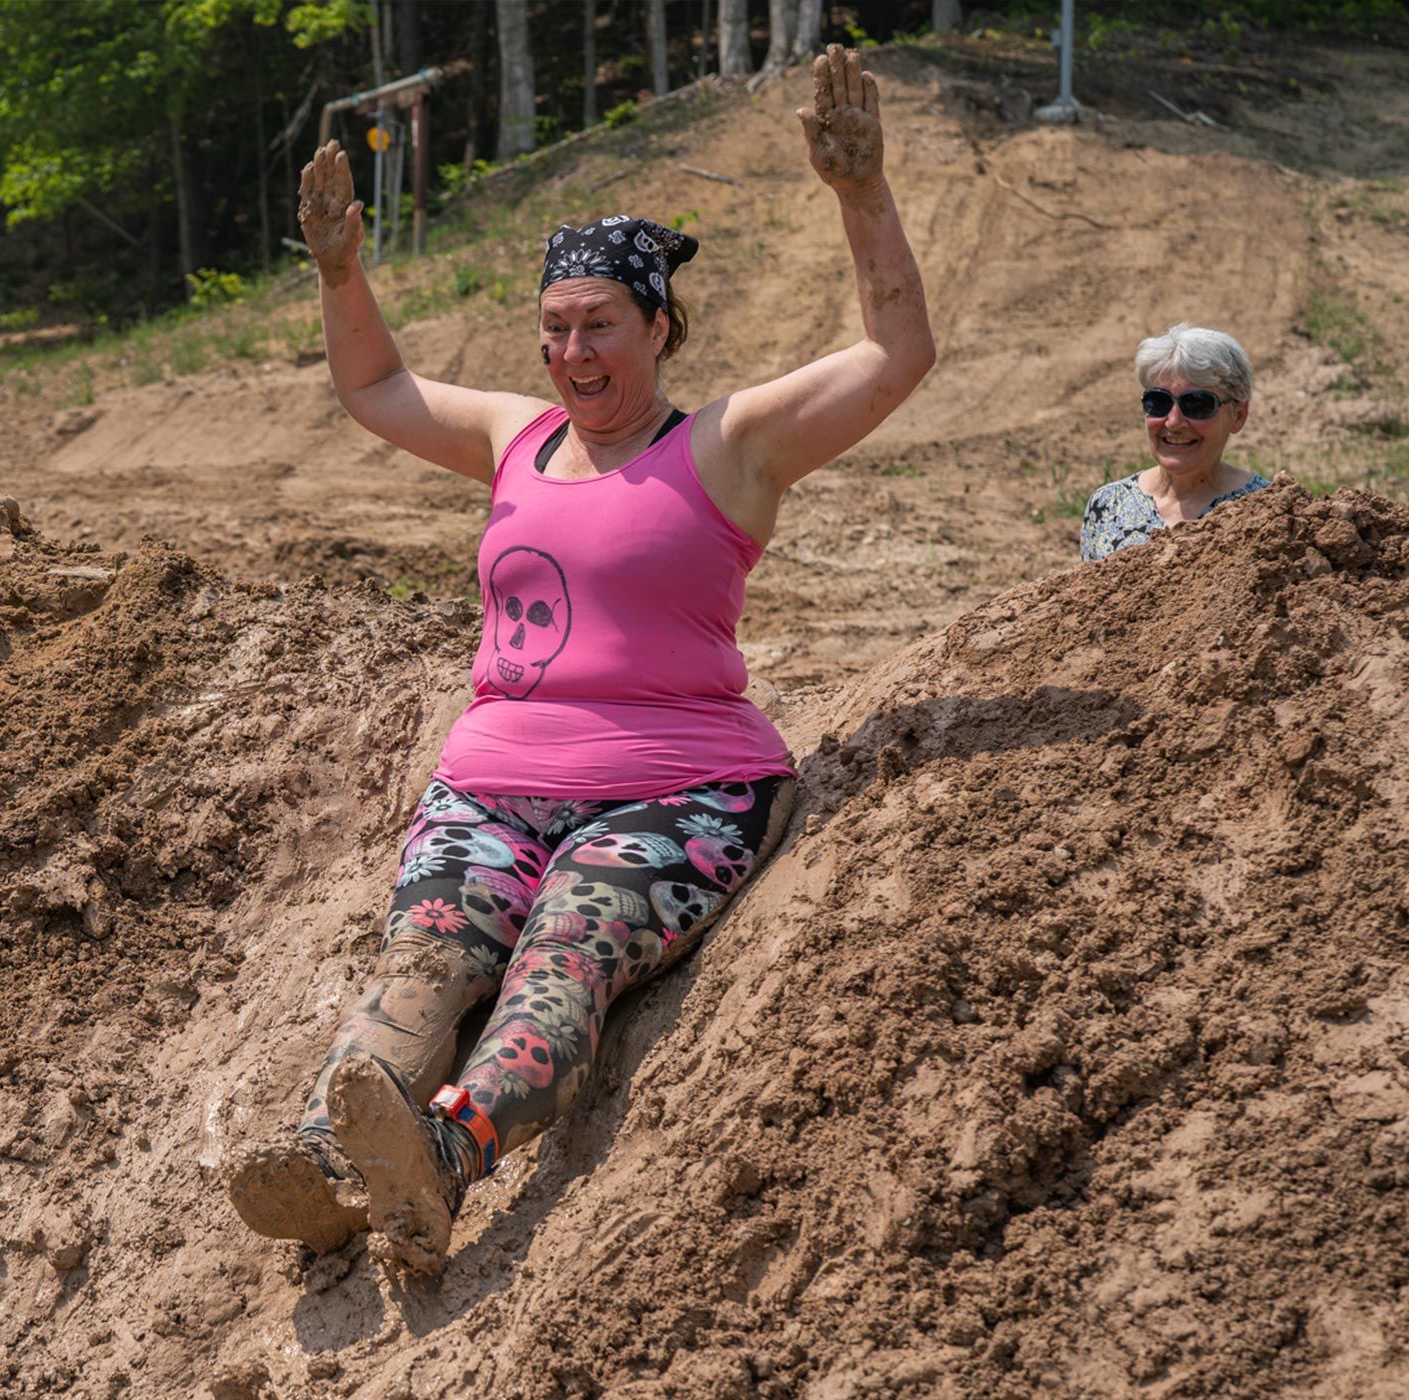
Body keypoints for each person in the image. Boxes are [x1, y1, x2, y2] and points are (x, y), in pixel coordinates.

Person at [225, 45, 935, 1275]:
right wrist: (341, 272)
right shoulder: (515, 435)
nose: (573, 351)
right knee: (430, 953)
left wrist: (860, 194)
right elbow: (377, 385)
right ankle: (332, 1157)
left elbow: (896, 352)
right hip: (491, 783)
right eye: (555, 328)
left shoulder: (732, 443)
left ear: (658, 326)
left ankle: (447, 1155)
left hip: (682, 790)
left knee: (565, 948)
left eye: (600, 324)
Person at [1079, 325, 1269, 562]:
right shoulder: (1108, 506)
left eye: (1197, 404)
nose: (1174, 422)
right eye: (1158, 402)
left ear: (1238, 415)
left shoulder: (1266, 511)